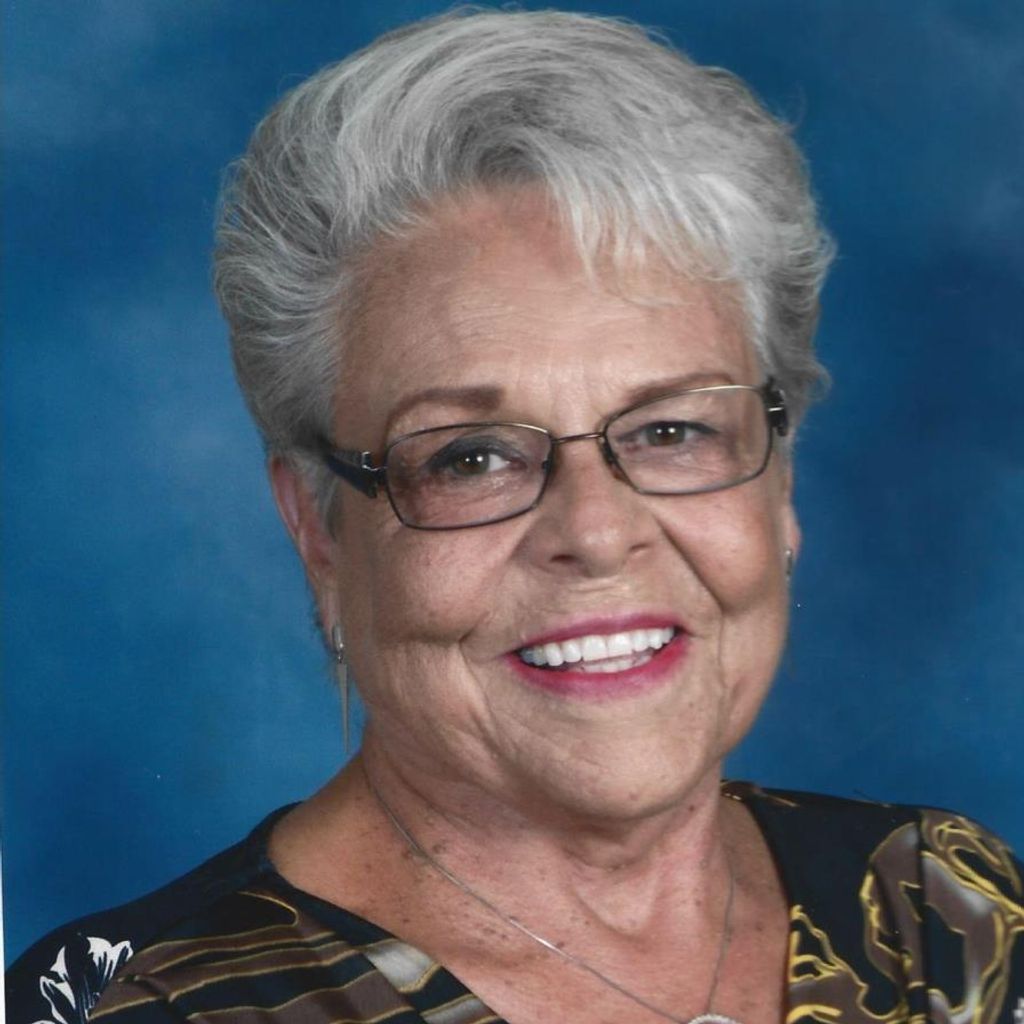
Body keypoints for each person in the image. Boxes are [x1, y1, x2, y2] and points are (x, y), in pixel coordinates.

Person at [8, 9, 1023, 1024]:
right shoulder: (134, 1004)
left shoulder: (946, 910)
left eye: (670, 431)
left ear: (779, 484)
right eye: (471, 458)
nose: (598, 532)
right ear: (319, 532)